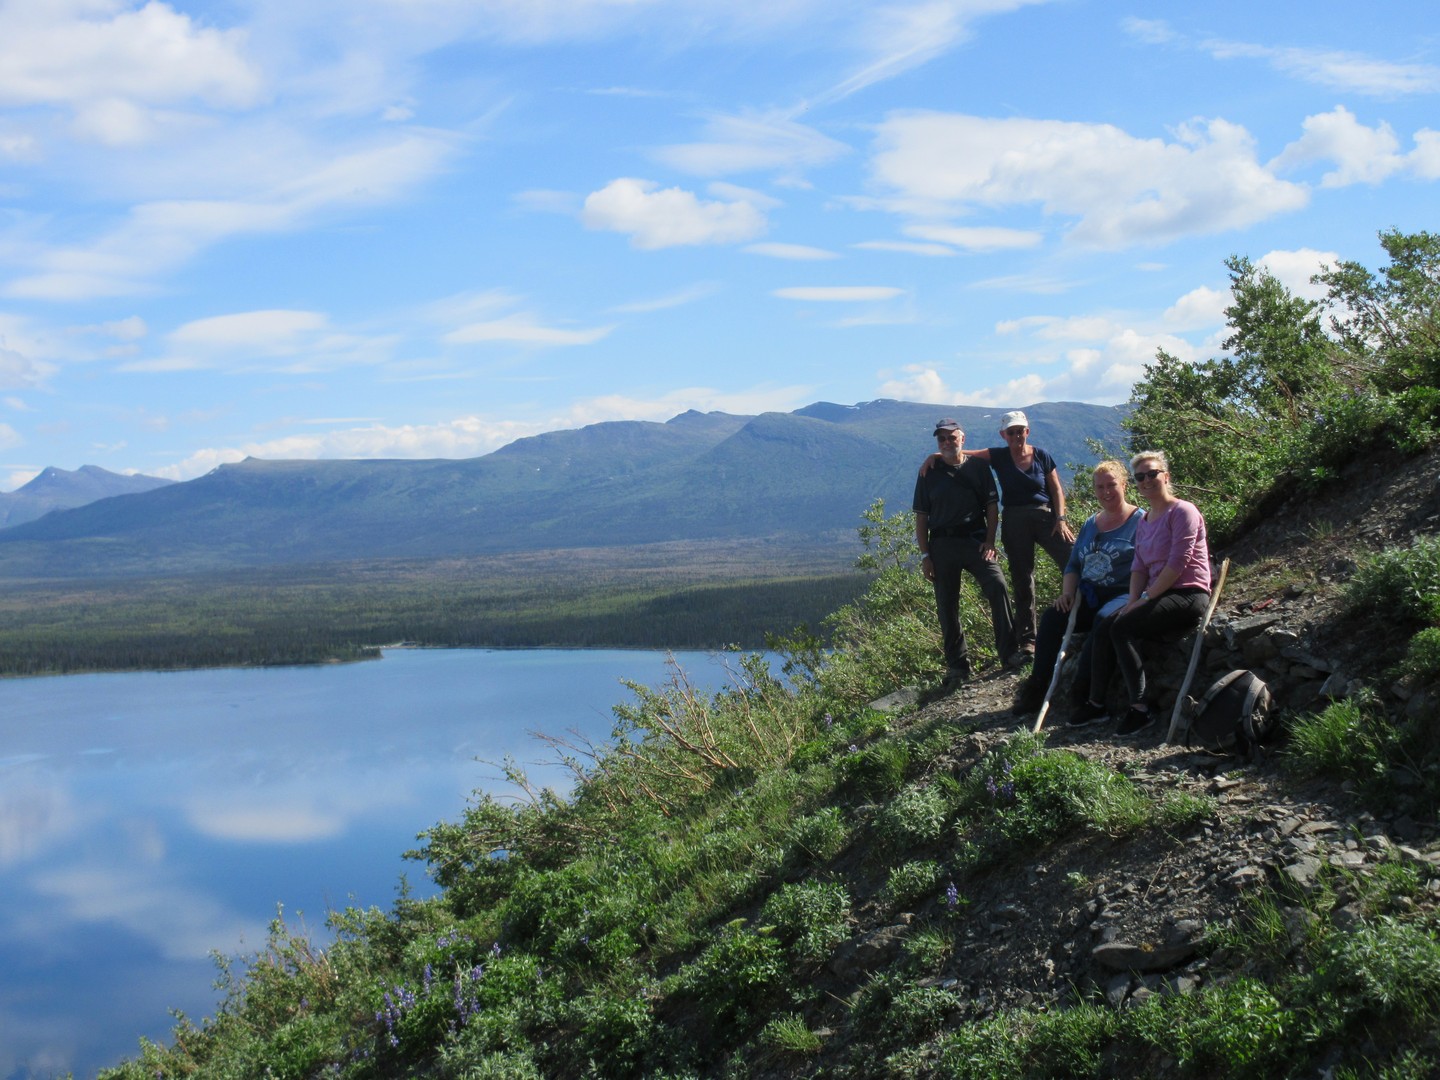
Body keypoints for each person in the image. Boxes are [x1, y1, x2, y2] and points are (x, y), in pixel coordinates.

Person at [1077, 450, 1212, 737]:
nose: (1147, 480)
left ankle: (1140, 708)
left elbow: (1178, 563)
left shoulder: (1183, 511)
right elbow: (1138, 566)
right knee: (1104, 626)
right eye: (1140, 477)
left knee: (1122, 628)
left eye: (1152, 474)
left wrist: (1145, 600)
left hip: (1187, 593)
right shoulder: (1146, 520)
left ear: (1166, 476)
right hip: (1157, 593)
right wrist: (1134, 599)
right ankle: (1095, 703)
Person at [920, 410, 1074, 657]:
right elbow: (964, 454)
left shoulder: (1041, 455)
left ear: (1027, 431)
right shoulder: (999, 456)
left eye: (1020, 431)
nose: (1016, 436)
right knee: (1022, 578)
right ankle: (1027, 640)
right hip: (1014, 520)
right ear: (1004, 434)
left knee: (1072, 562)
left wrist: (1061, 518)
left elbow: (1056, 488)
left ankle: (1079, 621)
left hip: (1046, 517)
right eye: (1011, 432)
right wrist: (936, 455)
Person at [1011, 460, 1142, 718]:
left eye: (1111, 485)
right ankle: (1037, 687)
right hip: (1089, 594)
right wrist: (1068, 593)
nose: (1106, 492)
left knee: (1103, 623)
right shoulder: (1091, 524)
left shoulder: (1140, 522)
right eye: (1100, 487)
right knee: (1051, 618)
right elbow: (1073, 564)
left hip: (1122, 593)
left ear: (1124, 485)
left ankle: (1084, 695)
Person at [913, 418, 1018, 693]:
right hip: (942, 545)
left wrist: (989, 540)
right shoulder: (928, 472)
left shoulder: (980, 468)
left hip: (975, 541)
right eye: (942, 439)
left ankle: (1009, 654)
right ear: (938, 443)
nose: (947, 443)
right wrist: (925, 555)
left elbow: (992, 507)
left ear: (963, 438)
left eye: (952, 437)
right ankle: (958, 667)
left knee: (997, 585)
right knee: (947, 606)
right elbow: (921, 518)